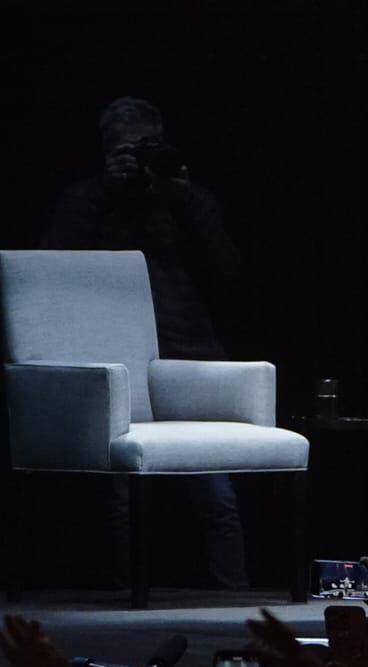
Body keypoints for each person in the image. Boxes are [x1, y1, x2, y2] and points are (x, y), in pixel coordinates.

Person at [40, 96, 248, 589]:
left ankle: (234, 600)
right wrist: (105, 193)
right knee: (119, 498)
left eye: (148, 147)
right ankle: (123, 596)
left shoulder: (186, 201)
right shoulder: (87, 198)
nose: (139, 159)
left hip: (187, 355)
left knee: (216, 493)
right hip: (111, 360)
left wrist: (184, 200)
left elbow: (230, 273)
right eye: (126, 150)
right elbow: (46, 270)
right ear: (107, 152)